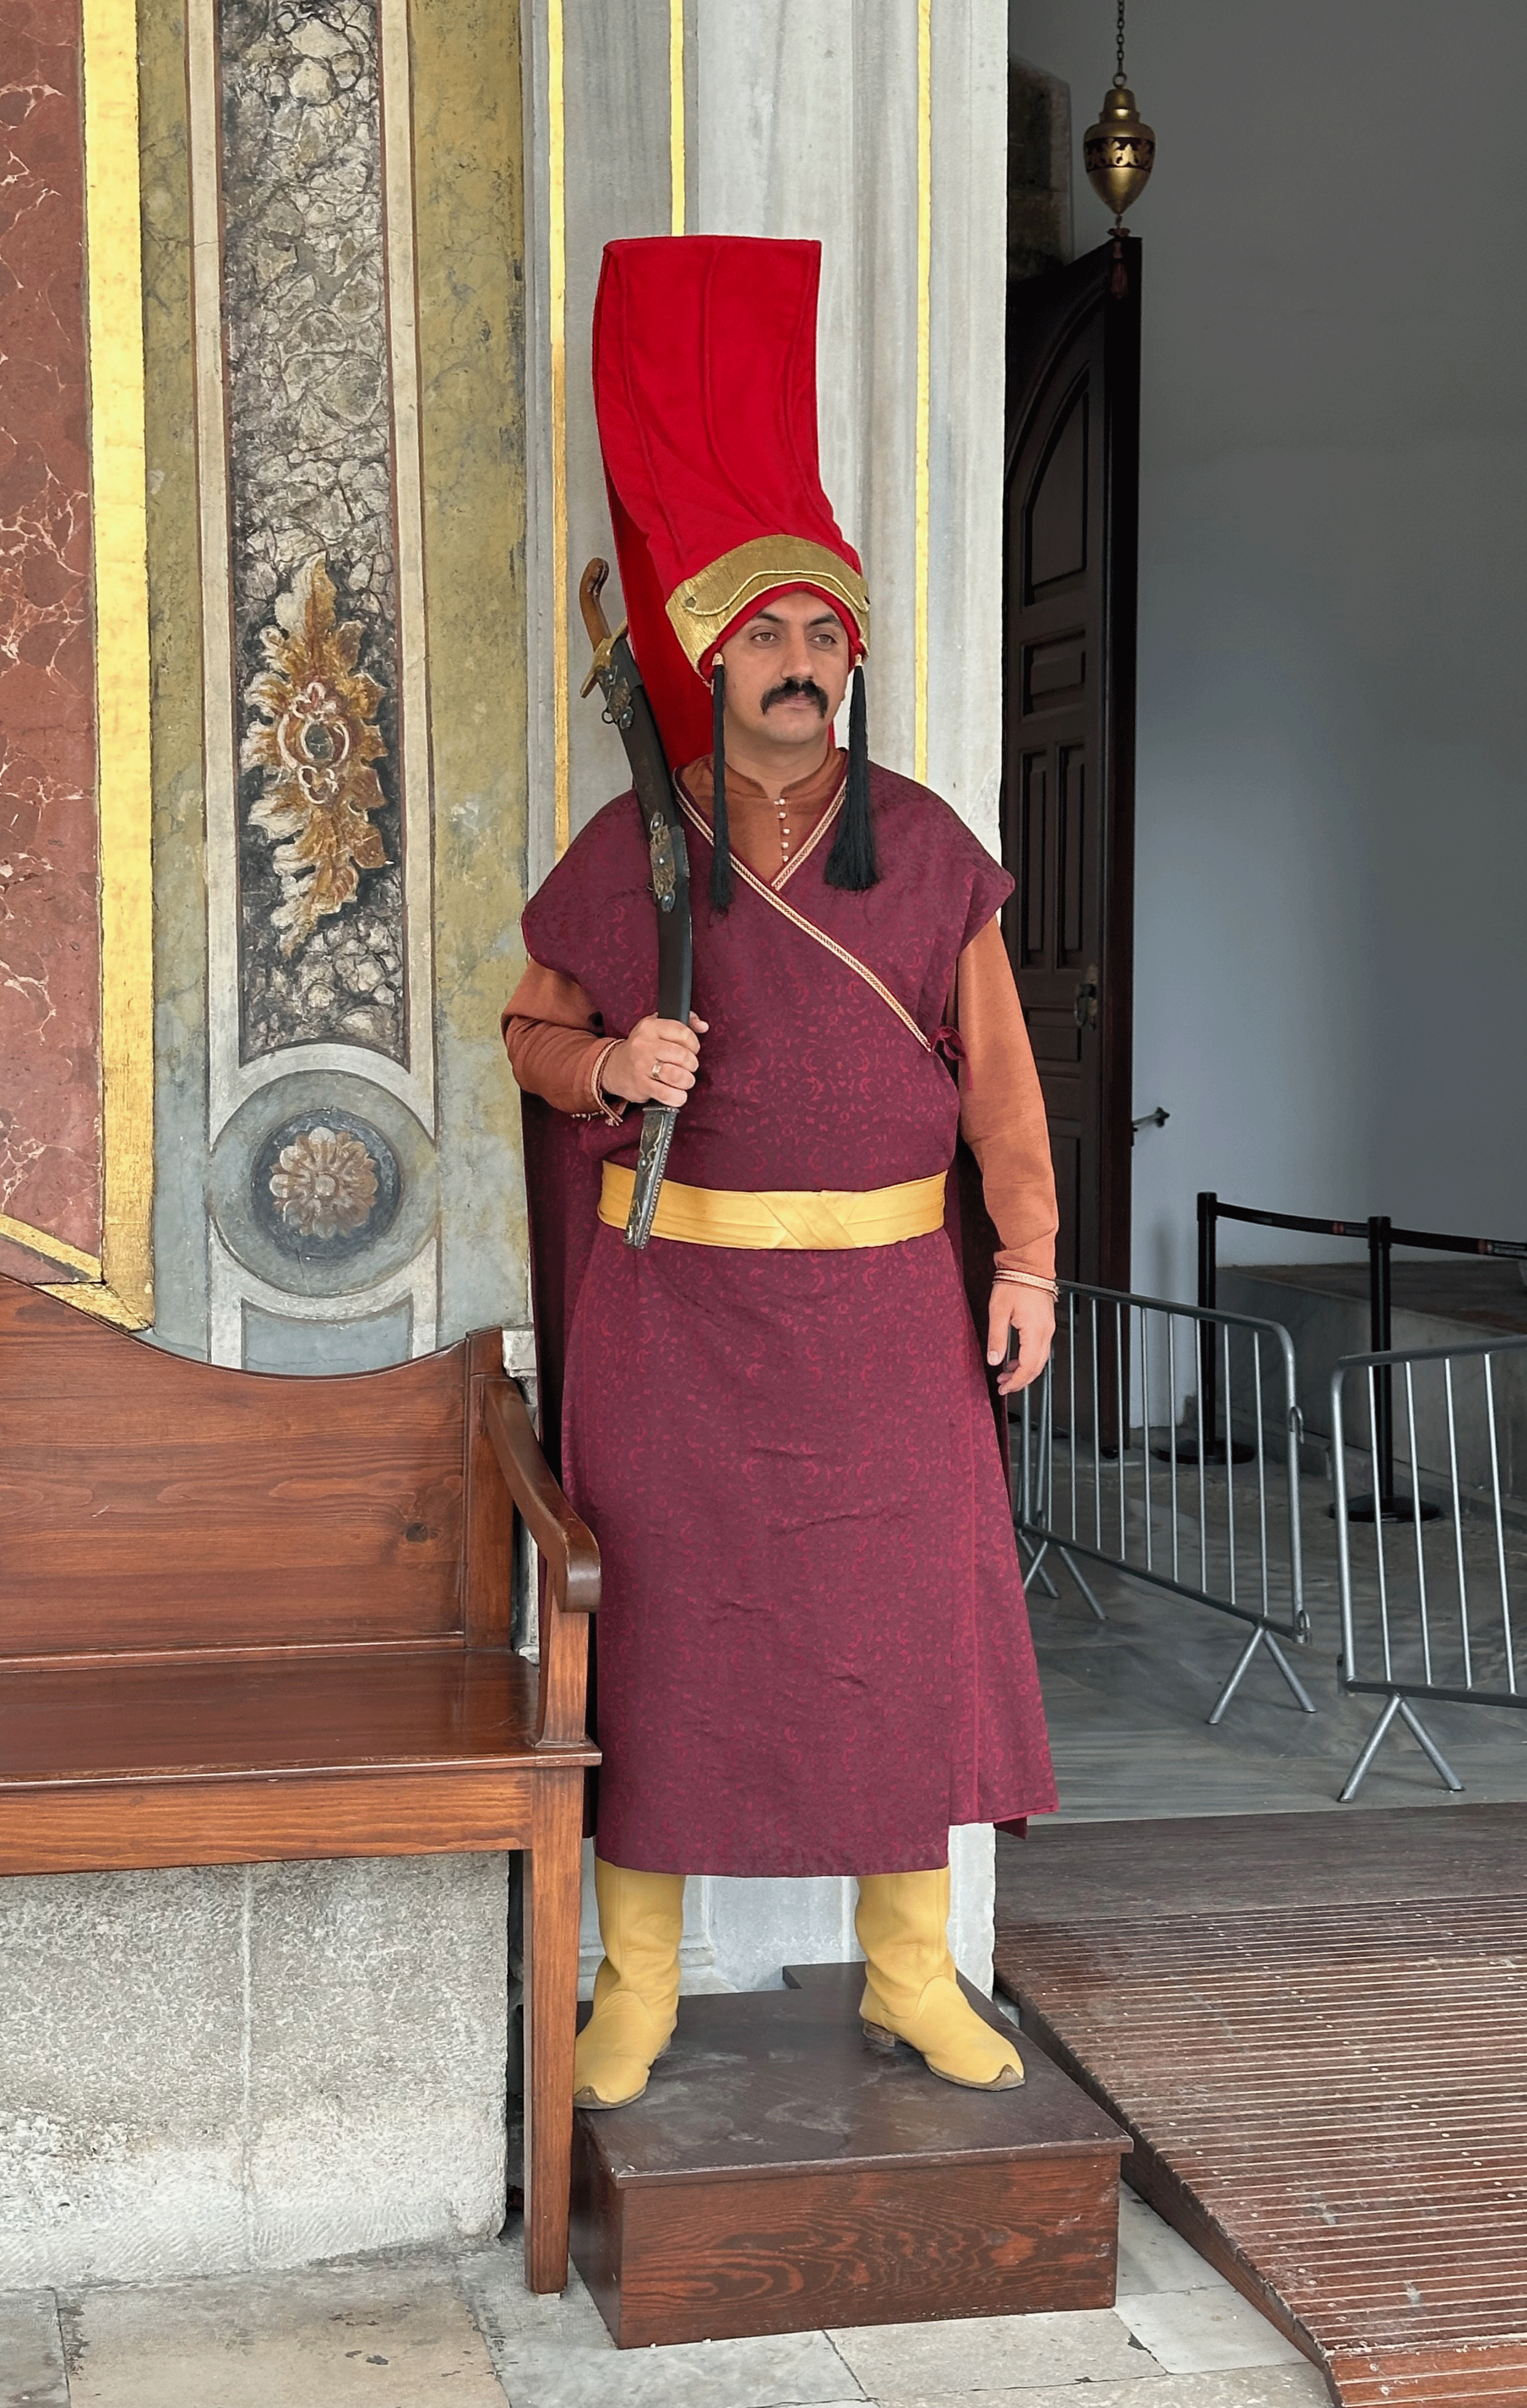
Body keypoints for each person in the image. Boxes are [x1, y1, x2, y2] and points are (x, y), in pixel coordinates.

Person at [503, 233, 1059, 2110]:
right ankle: (636, 1986)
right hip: (685, 1320)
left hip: (894, 1312)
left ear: (853, 661)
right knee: (668, 1652)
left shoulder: (930, 851)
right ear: (711, 658)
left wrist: (1031, 1260)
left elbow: (1000, 1088)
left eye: (826, 636)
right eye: (768, 638)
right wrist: (610, 1059)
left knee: (899, 1644)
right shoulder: (632, 846)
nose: (801, 664)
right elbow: (527, 1038)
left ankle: (912, 1974)